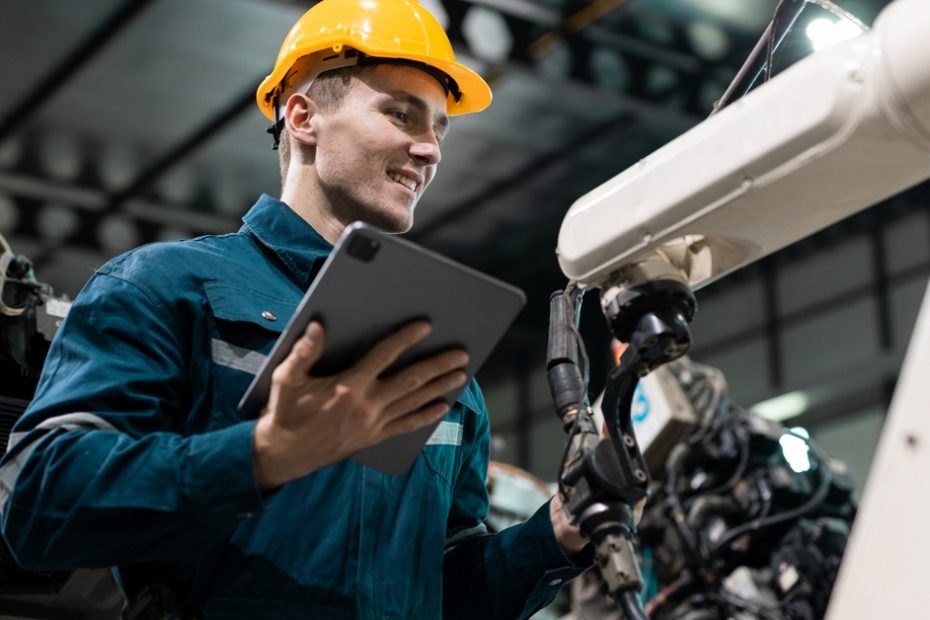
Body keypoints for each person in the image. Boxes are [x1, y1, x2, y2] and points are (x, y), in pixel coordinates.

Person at [0, 0, 593, 617]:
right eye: (401, 114)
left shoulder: (435, 355)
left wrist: (557, 532)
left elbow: (448, 588)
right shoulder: (166, 286)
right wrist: (263, 455)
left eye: (438, 130)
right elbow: (40, 500)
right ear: (304, 116)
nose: (429, 151)